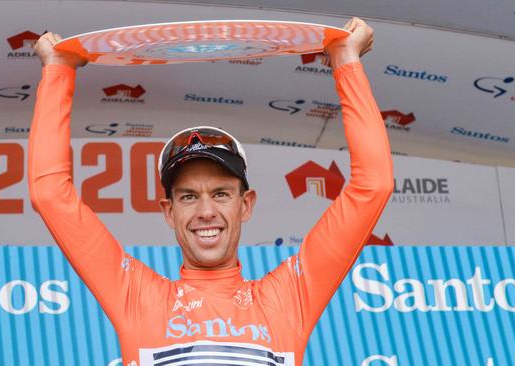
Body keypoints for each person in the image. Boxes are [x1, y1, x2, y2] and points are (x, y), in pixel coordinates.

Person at [29, 17, 392, 366]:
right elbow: (50, 194)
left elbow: (373, 186)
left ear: (245, 204)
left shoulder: (287, 300)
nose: (206, 211)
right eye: (188, 196)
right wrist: (58, 69)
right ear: (168, 211)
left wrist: (347, 62)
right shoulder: (138, 300)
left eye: (221, 194)